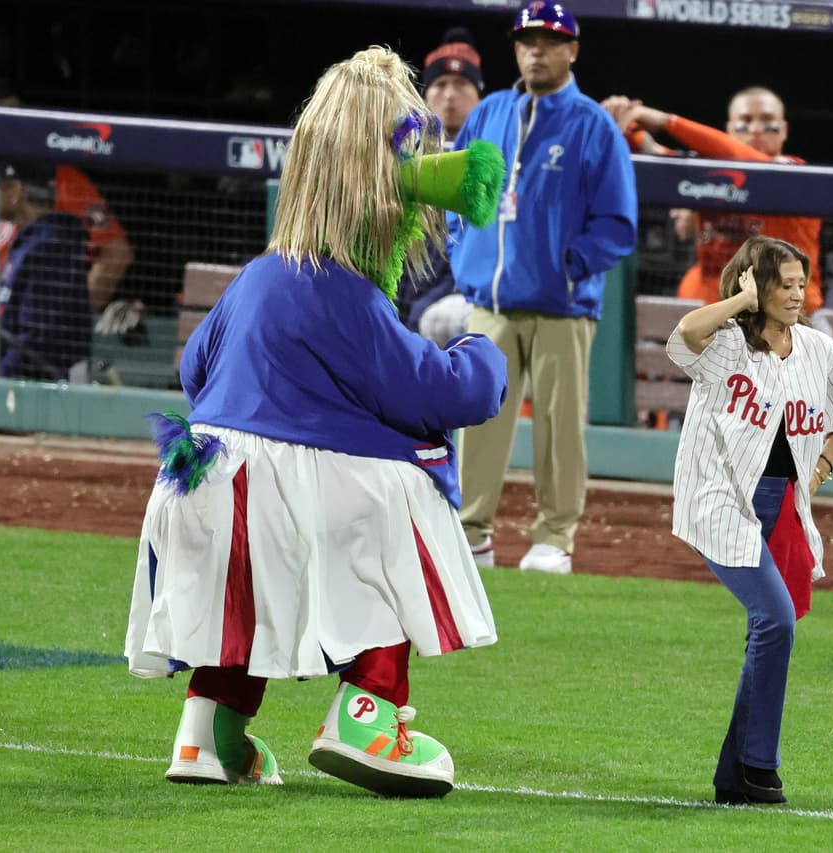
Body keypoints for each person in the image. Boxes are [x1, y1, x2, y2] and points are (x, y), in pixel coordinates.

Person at [124, 46, 509, 798]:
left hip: (197, 480)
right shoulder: (347, 292)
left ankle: (209, 732)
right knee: (398, 505)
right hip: (295, 494)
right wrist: (479, 349)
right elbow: (437, 394)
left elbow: (195, 368)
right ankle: (367, 710)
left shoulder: (259, 273)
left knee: (244, 590)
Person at [668, 235, 833, 805]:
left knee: (774, 628)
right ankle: (760, 766)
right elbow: (685, 331)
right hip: (720, 497)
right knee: (774, 619)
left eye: (801, 284)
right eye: (784, 284)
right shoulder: (727, 342)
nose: (797, 294)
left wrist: (824, 466)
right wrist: (739, 302)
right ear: (755, 283)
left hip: (783, 505)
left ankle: (735, 778)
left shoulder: (818, 349)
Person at [448, 1, 638, 574]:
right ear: (515, 48)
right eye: (528, 40)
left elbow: (617, 222)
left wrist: (567, 268)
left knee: (560, 429)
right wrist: (466, 255)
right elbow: (463, 195)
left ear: (572, 50)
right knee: (477, 420)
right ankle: (471, 530)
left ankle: (555, 534)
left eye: (551, 41)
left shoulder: (593, 126)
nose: (538, 50)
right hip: (491, 304)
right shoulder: (490, 114)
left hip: (561, 308)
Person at [0, 79, 132, 373]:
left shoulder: (61, 180)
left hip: (33, 337)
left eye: (10, 118)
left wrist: (70, 313)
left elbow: (116, 253)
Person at [602, 87, 827, 327]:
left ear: (783, 131)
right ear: (729, 131)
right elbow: (656, 152)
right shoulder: (711, 172)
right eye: (745, 122)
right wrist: (621, 119)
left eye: (767, 121)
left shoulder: (796, 171)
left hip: (791, 319)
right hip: (724, 318)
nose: (755, 129)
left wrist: (668, 121)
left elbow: (748, 160)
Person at [395, 26, 484, 342]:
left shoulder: (493, 158)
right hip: (398, 301)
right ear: (423, 97)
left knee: (443, 320)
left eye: (462, 85)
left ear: (480, 99)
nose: (449, 95)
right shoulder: (397, 154)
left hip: (454, 304)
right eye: (440, 84)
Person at [0, 162, 93, 381]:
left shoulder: (49, 246)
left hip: (45, 392)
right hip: (29, 385)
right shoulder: (33, 241)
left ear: (17, 190)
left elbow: (36, 339)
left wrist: (1, 379)